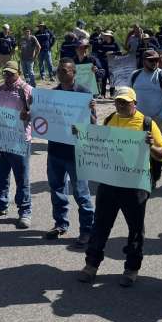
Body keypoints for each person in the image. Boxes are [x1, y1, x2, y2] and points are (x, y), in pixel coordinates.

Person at [77, 87, 162, 286]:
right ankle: (91, 265)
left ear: (134, 103)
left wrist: (151, 146)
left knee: (135, 229)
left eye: (125, 102)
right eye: (118, 101)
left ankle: (131, 269)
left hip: (135, 185)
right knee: (100, 225)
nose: (120, 105)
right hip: (110, 181)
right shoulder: (110, 119)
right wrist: (83, 135)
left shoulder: (146, 123)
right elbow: (99, 144)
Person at [44, 57, 96, 245]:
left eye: (64, 71)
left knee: (81, 194)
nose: (60, 74)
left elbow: (93, 125)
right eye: (58, 71)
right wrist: (33, 108)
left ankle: (87, 231)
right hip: (55, 151)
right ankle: (60, 224)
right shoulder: (52, 94)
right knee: (57, 189)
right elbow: (43, 119)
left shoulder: (84, 93)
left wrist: (89, 113)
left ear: (73, 72)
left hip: (76, 153)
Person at [0, 61, 34, 229]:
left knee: (22, 178)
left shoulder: (26, 90)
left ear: (18, 73)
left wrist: (28, 115)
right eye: (5, 73)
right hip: (0, 139)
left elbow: (37, 113)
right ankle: (0, 205)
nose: (8, 76)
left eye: (11, 73)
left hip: (19, 140)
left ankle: (25, 212)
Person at [131, 49, 162, 180]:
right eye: (151, 60)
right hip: (137, 120)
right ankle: (141, 177)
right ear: (143, 61)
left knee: (156, 151)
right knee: (138, 148)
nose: (155, 63)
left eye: (156, 60)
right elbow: (129, 94)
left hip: (158, 121)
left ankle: (154, 177)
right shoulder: (135, 75)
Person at [95, 30, 121, 98]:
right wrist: (104, 53)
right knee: (104, 78)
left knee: (112, 78)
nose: (105, 37)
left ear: (110, 36)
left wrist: (112, 53)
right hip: (104, 63)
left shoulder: (115, 44)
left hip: (113, 63)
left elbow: (119, 53)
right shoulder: (102, 44)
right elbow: (99, 53)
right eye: (105, 36)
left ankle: (112, 94)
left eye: (107, 36)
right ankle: (103, 94)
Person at [0, 24, 16, 88]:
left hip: (8, 56)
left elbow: (14, 46)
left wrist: (11, 54)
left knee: (7, 71)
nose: (5, 30)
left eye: (6, 29)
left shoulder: (11, 37)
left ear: (8, 29)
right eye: (4, 28)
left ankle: (7, 84)